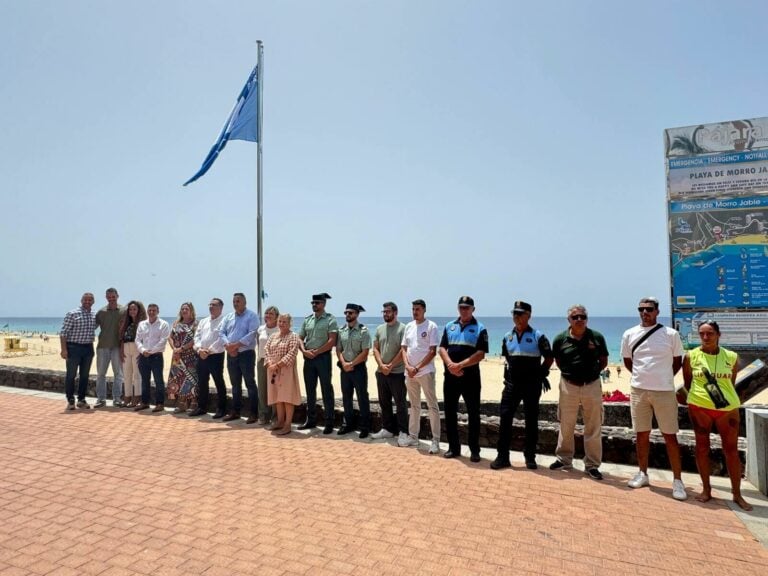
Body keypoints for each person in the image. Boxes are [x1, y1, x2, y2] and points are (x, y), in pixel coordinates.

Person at [681, 321, 752, 511]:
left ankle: (737, 494)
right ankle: (706, 489)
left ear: (718, 334)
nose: (705, 337)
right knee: (702, 448)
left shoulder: (731, 357)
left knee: (731, 451)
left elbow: (731, 382)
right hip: (699, 406)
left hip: (727, 409)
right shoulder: (690, 356)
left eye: (710, 333)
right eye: (702, 334)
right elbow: (688, 383)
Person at [621, 297, 687, 500]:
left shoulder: (670, 334)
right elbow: (628, 361)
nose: (644, 312)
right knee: (641, 434)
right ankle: (642, 473)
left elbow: (677, 362)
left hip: (664, 391)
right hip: (639, 390)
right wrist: (643, 377)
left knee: (670, 435)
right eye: (641, 309)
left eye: (649, 309)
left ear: (657, 311)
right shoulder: (629, 334)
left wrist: (662, 378)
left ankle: (677, 481)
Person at [491, 301, 553, 471]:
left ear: (529, 315)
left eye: (520, 313)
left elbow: (549, 358)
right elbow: (507, 358)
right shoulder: (507, 337)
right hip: (511, 386)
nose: (516, 317)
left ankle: (530, 457)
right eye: (514, 314)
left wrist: (540, 375)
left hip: (532, 386)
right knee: (505, 419)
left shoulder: (538, 336)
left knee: (531, 421)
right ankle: (503, 457)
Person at [550, 305, 608, 480]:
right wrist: (571, 374)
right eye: (575, 317)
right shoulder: (560, 339)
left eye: (582, 317)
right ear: (569, 320)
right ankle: (564, 459)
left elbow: (604, 360)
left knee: (593, 425)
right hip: (568, 385)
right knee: (566, 423)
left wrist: (591, 374)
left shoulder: (596, 337)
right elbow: (558, 361)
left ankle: (592, 465)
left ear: (587, 319)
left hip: (591, 385)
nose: (579, 320)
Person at [438, 296, 488, 462]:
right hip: (451, 377)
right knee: (450, 413)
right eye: (461, 307)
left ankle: (474, 450)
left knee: (473, 414)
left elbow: (480, 353)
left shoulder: (480, 328)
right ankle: (454, 448)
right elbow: (442, 348)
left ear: (473, 309)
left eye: (467, 307)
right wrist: (451, 365)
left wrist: (460, 365)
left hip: (471, 378)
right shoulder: (449, 326)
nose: (464, 310)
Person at [401, 299, 441, 454]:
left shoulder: (431, 326)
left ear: (424, 310)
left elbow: (432, 351)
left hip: (425, 372)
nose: (414, 312)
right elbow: (404, 348)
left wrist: (417, 367)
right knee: (414, 405)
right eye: (413, 309)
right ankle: (413, 436)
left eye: (417, 309)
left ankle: (435, 440)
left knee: (432, 406)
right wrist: (408, 366)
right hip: (410, 373)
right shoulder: (409, 327)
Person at [298, 293, 339, 433]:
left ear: (324, 304)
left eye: (317, 303)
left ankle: (329, 422)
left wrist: (317, 351)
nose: (314, 305)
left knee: (326, 389)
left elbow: (332, 341)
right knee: (310, 390)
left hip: (323, 358)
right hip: (308, 358)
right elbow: (300, 337)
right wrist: (304, 351)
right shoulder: (307, 320)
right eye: (313, 303)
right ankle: (311, 420)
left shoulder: (330, 320)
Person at [220, 293, 260, 423]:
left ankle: (254, 414)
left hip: (246, 354)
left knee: (250, 384)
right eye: (234, 301)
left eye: (238, 301)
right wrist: (228, 346)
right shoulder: (228, 317)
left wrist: (235, 346)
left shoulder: (252, 316)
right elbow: (221, 332)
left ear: (245, 302)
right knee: (235, 385)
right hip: (231, 355)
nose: (235, 303)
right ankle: (235, 412)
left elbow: (252, 334)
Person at [371, 302, 407, 442]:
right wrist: (382, 365)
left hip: (397, 372)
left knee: (400, 403)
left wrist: (391, 365)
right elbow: (375, 349)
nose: (385, 314)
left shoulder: (403, 328)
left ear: (395, 312)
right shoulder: (380, 329)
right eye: (384, 312)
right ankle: (387, 429)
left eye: (388, 311)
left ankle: (403, 431)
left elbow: (403, 350)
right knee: (384, 402)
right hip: (381, 372)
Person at [336, 303, 372, 439]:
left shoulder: (363, 331)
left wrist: (352, 363)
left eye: (350, 313)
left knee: (362, 397)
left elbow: (365, 352)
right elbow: (338, 349)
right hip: (345, 369)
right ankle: (348, 424)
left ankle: (365, 427)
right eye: (346, 313)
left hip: (358, 369)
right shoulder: (342, 330)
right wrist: (344, 363)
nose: (347, 315)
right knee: (346, 397)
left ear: (357, 314)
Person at [264, 313, 302, 435]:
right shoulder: (273, 336)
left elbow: (292, 353)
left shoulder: (293, 336)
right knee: (277, 397)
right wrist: (270, 363)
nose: (281, 324)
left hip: (286, 371)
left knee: (287, 397)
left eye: (284, 322)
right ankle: (280, 422)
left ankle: (287, 425)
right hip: (273, 371)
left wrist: (278, 365)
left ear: (290, 323)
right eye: (280, 321)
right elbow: (266, 349)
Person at [190, 298, 227, 418]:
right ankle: (202, 407)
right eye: (210, 304)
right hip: (201, 355)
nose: (211, 307)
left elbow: (221, 339)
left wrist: (209, 350)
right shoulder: (204, 321)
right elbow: (197, 336)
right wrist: (200, 349)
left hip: (216, 355)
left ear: (221, 307)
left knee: (218, 382)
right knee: (202, 382)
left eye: (214, 305)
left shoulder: (224, 321)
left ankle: (221, 409)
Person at [60, 292, 96, 410]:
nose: (87, 302)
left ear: (93, 302)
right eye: (85, 300)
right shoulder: (72, 314)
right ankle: (70, 400)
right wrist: (64, 349)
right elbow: (63, 333)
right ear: (81, 301)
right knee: (71, 375)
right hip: (73, 348)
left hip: (88, 348)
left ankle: (81, 399)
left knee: (84, 376)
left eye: (90, 300)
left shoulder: (94, 315)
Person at [135, 303, 171, 412]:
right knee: (144, 381)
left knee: (158, 380)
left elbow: (163, 341)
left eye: (154, 310)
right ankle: (145, 402)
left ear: (158, 311)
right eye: (149, 310)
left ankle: (160, 404)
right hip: (143, 356)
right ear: (147, 311)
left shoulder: (163, 324)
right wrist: (142, 350)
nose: (151, 312)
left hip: (156, 357)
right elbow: (137, 340)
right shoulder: (142, 324)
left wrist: (151, 352)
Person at [94, 287, 126, 407]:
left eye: (113, 296)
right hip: (103, 347)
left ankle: (117, 398)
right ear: (106, 297)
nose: (111, 299)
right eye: (109, 297)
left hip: (117, 347)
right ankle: (101, 399)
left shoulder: (124, 310)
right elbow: (91, 327)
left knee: (118, 374)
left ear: (117, 296)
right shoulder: (101, 312)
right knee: (101, 374)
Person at [166, 302, 199, 414]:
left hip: (190, 356)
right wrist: (175, 349)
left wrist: (182, 348)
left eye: (186, 309)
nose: (184, 311)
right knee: (178, 379)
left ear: (191, 310)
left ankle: (194, 402)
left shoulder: (195, 324)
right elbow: (170, 337)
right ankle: (182, 403)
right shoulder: (176, 323)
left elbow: (195, 339)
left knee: (191, 379)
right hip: (177, 356)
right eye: (182, 309)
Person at [119, 300, 147, 408]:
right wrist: (121, 350)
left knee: (137, 374)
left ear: (139, 310)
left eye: (134, 309)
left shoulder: (143, 323)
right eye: (130, 309)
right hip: (126, 347)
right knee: (126, 374)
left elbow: (145, 339)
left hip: (137, 348)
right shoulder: (126, 322)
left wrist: (142, 351)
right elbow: (121, 338)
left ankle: (137, 397)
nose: (132, 311)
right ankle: (127, 397)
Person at [256, 306, 280, 425]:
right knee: (262, 389)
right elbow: (259, 343)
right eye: (266, 313)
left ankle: (275, 417)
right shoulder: (260, 329)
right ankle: (263, 416)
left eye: (271, 314)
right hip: (262, 361)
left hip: (274, 363)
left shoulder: (279, 330)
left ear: (276, 317)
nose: (268, 316)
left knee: (274, 390)